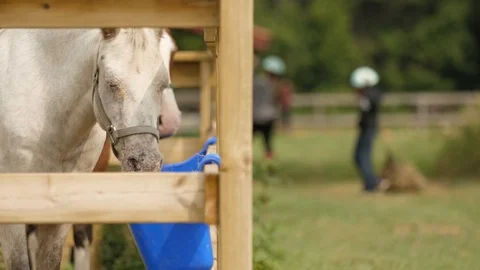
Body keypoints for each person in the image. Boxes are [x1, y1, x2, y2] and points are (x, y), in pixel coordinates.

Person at [350, 66, 385, 192]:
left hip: (368, 129)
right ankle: (371, 182)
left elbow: (369, 109)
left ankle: (372, 184)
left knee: (362, 156)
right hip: (366, 129)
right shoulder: (368, 95)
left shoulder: (370, 95)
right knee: (358, 156)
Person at [253, 55, 286, 160]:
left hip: (255, 116)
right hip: (269, 117)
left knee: (247, 141)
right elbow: (277, 101)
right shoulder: (276, 85)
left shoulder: (257, 82)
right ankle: (270, 164)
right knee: (268, 142)